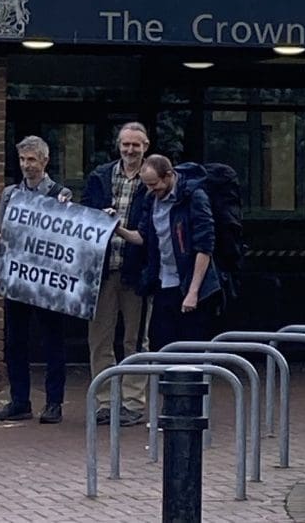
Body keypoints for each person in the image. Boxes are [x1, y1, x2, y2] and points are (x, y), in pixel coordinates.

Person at [0, 135, 72, 424]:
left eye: (32, 159)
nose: (27, 166)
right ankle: (20, 400)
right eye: (23, 160)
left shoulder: (61, 195)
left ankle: (54, 403)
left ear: (45, 161)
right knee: (15, 342)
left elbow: (68, 242)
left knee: (52, 342)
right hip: (17, 278)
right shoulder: (10, 194)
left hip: (47, 281)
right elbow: (3, 236)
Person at [114, 154, 221, 351]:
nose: (151, 190)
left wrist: (193, 292)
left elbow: (204, 247)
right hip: (163, 281)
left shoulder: (194, 196)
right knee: (162, 344)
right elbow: (143, 237)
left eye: (154, 184)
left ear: (169, 176)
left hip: (189, 282)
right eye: (147, 185)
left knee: (190, 349)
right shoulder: (151, 199)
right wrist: (117, 228)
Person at [81, 122, 150, 427]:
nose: (130, 150)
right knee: (100, 338)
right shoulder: (100, 176)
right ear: (118, 145)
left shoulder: (151, 179)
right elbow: (83, 217)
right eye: (126, 144)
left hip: (136, 272)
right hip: (103, 271)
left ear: (145, 146)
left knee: (136, 340)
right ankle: (105, 401)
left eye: (136, 145)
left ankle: (134, 402)